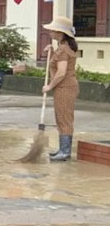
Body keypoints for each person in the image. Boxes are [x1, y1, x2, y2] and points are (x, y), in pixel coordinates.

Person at [42, 16, 79, 162]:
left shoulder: (64, 49)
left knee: (64, 119)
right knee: (61, 118)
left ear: (60, 33)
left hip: (65, 87)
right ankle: (63, 149)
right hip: (64, 87)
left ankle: (65, 152)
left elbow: (61, 72)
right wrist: (51, 51)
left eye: (53, 30)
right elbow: (57, 64)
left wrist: (49, 86)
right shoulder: (62, 48)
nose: (50, 32)